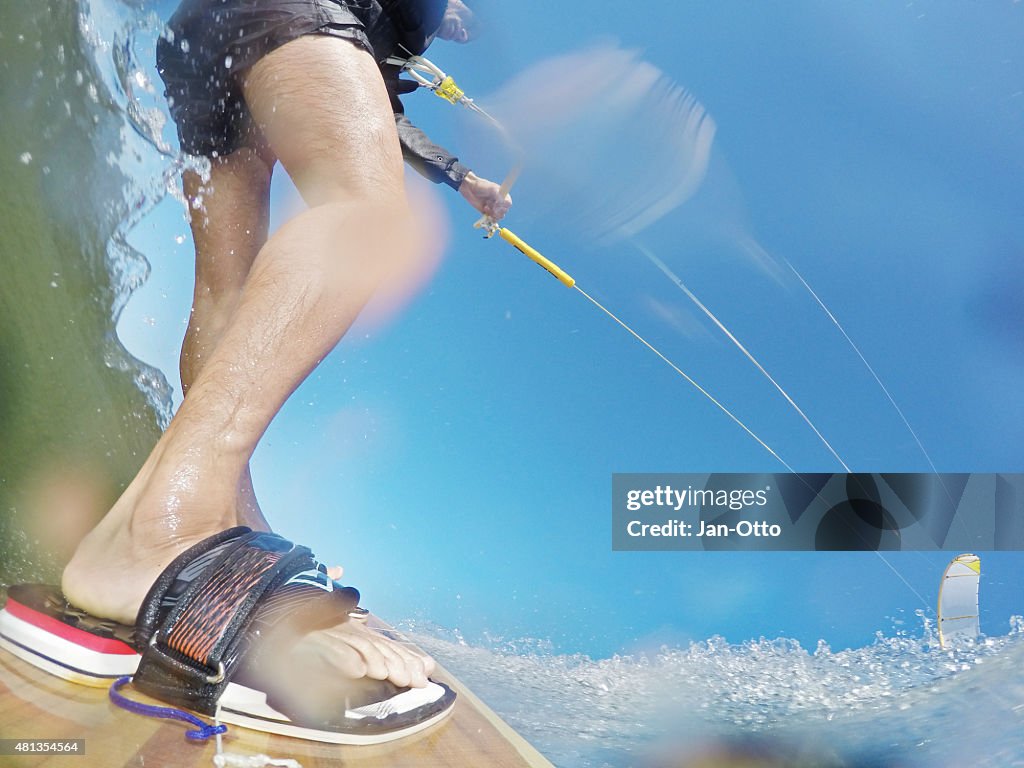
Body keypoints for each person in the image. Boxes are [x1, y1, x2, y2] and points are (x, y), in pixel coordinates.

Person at [58, 0, 510, 716]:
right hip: (286, 14)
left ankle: (220, 526)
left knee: (227, 292)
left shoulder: (379, 36)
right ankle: (155, 530)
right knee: (364, 213)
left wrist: (459, 177)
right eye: (459, 14)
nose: (458, 24)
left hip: (201, 36)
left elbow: (365, 109)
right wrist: (465, 176)